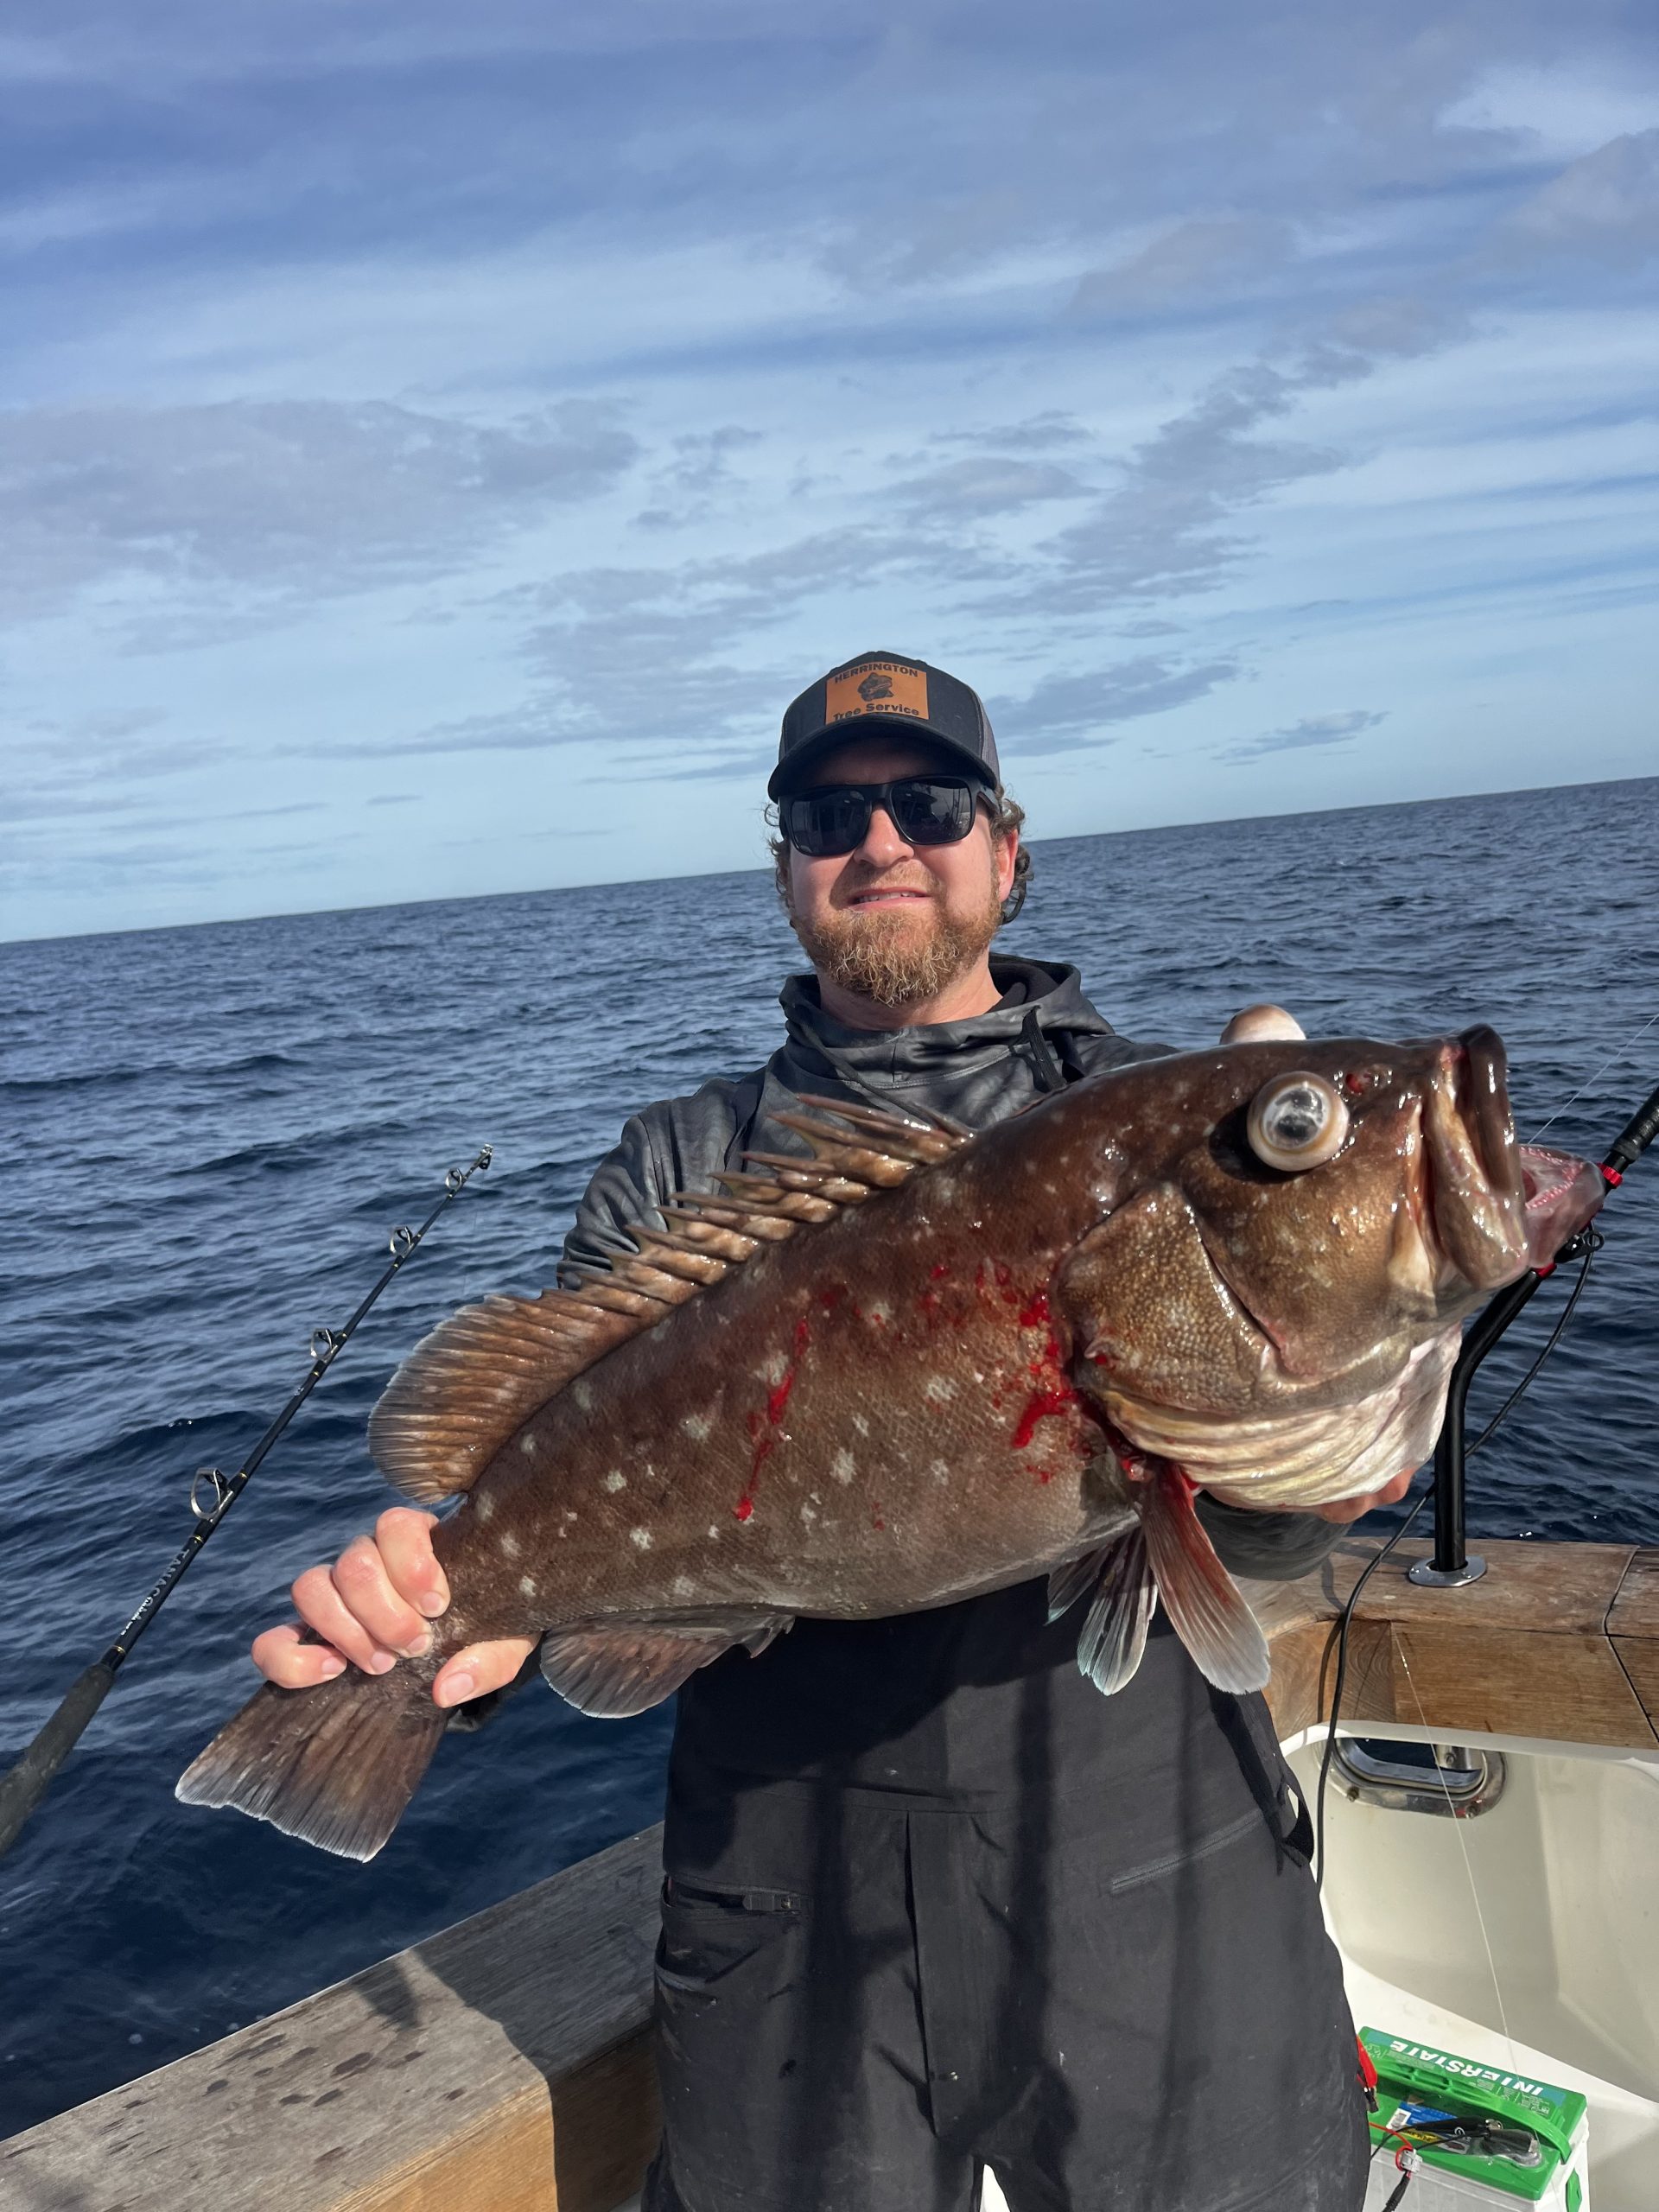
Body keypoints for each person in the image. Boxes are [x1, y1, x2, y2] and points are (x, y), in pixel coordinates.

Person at [254, 652, 1401, 2211]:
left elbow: (1252, 1531)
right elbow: (543, 1504)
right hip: (781, 1904)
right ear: (784, 864)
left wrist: (1331, 1429)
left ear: (1008, 848)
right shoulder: (680, 1170)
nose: (881, 843)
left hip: (1152, 1863)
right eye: (827, 813)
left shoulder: (1159, 1117)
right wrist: (442, 1636)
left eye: (929, 804)